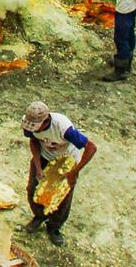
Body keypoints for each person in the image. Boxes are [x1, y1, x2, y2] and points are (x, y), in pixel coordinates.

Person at [20, 101, 97, 247]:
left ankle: (54, 227)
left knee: (62, 196)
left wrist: (74, 172)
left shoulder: (63, 127)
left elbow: (91, 147)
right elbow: (33, 141)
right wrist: (37, 165)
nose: (34, 129)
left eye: (37, 127)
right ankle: (39, 216)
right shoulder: (29, 124)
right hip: (45, 157)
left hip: (67, 159)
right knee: (33, 188)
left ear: (46, 120)